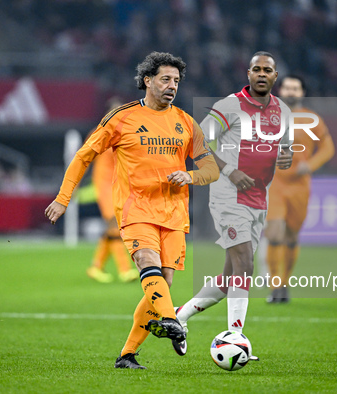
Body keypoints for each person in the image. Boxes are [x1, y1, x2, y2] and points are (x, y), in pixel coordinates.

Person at [44, 51, 219, 369]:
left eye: (176, 81)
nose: (172, 86)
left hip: (175, 214)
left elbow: (211, 169)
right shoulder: (121, 118)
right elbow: (84, 156)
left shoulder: (185, 122)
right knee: (147, 263)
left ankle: (127, 355)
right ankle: (172, 322)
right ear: (147, 81)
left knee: (161, 286)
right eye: (165, 79)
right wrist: (63, 198)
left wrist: (190, 175)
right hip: (135, 208)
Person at [175, 51, 293, 355]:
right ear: (249, 74)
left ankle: (180, 315)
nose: (262, 74)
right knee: (246, 264)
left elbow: (286, 151)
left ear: (275, 76)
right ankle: (234, 337)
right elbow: (198, 141)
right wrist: (229, 169)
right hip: (228, 194)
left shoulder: (283, 111)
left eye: (268, 70)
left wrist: (286, 157)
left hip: (259, 198)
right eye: (257, 69)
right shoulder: (230, 106)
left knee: (230, 277)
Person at [264, 75, 334, 303]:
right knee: (274, 233)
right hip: (275, 183)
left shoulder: (312, 119)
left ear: (302, 93)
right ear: (280, 91)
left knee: (292, 237)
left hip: (299, 186)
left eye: (296, 88)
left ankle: (284, 283)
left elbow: (327, 148)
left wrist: (310, 165)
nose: (291, 92)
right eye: (287, 88)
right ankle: (274, 286)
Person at [85, 97, 138, 283]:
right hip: (104, 185)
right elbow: (84, 159)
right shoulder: (99, 133)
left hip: (120, 186)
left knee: (113, 227)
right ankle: (125, 270)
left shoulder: (126, 134)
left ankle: (95, 267)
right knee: (114, 225)